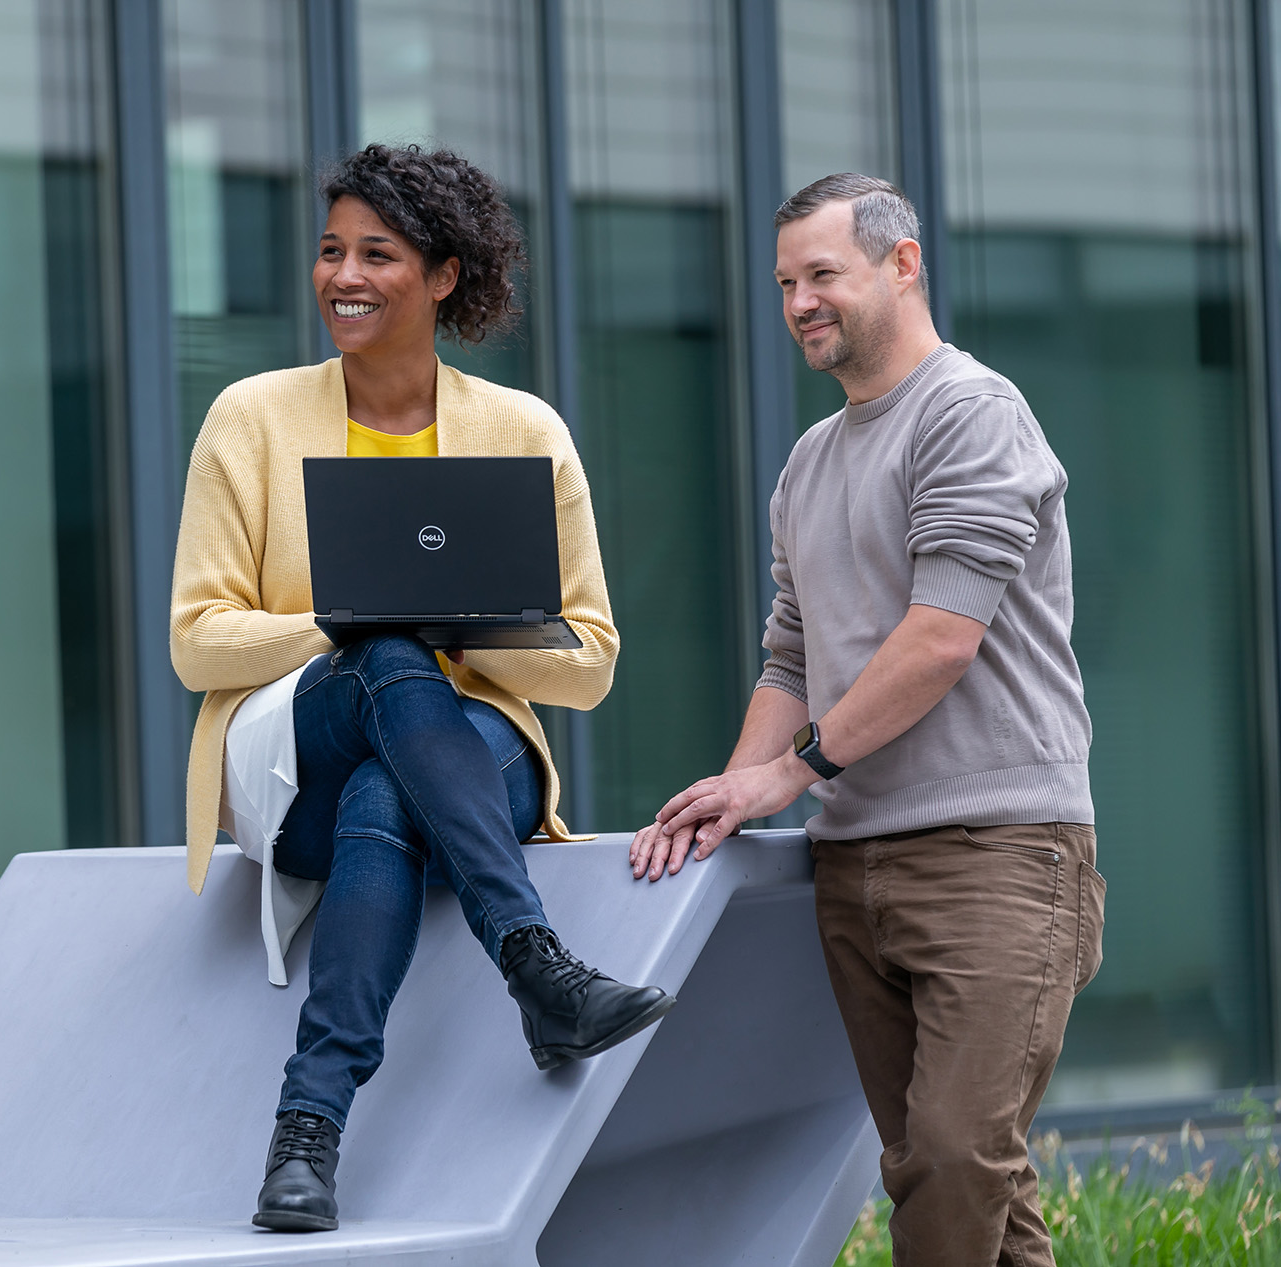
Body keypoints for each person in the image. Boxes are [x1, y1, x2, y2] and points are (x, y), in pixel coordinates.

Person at [170, 144, 674, 1234]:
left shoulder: (524, 433)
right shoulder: (249, 419)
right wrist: (357, 621)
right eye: (329, 250)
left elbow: (587, 661)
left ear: (444, 276)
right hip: (294, 751)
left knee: (386, 797)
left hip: (460, 756)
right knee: (388, 656)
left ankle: (306, 1132)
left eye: (376, 254)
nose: (342, 276)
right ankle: (535, 965)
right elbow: (197, 642)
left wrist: (452, 622)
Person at [631, 172, 1103, 1265]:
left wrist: (787, 774)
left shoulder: (971, 413)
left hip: (999, 852)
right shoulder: (808, 462)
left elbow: (941, 635)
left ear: (902, 264)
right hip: (854, 865)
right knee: (957, 1174)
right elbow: (791, 656)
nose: (798, 301)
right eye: (786, 281)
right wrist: (728, 795)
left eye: (822, 275)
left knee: (951, 1154)